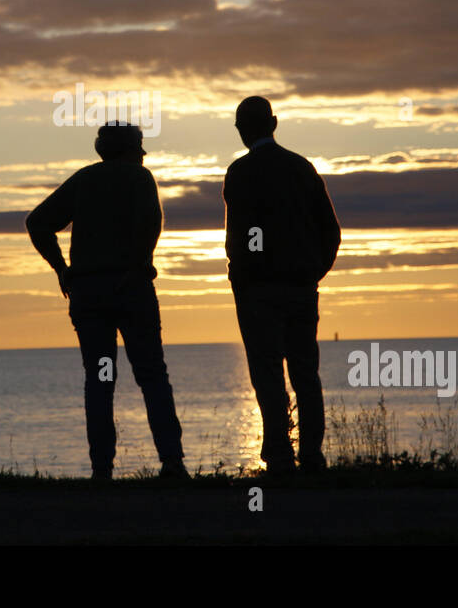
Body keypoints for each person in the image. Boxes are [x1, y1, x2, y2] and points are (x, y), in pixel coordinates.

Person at [26, 122, 187, 480]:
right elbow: (151, 226)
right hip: (131, 292)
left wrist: (62, 270)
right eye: (140, 147)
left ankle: (102, 470)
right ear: (130, 150)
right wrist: (135, 265)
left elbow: (37, 222)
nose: (144, 155)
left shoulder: (84, 180)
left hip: (89, 292)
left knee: (100, 380)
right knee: (152, 376)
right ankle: (172, 463)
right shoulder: (140, 179)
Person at [222, 96, 341, 475]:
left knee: (268, 374)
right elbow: (331, 231)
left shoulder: (240, 172)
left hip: (258, 290)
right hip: (299, 288)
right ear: (274, 123)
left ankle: (279, 458)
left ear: (241, 130)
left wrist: (241, 276)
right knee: (305, 373)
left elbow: (238, 235)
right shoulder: (302, 168)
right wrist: (312, 272)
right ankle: (311, 457)